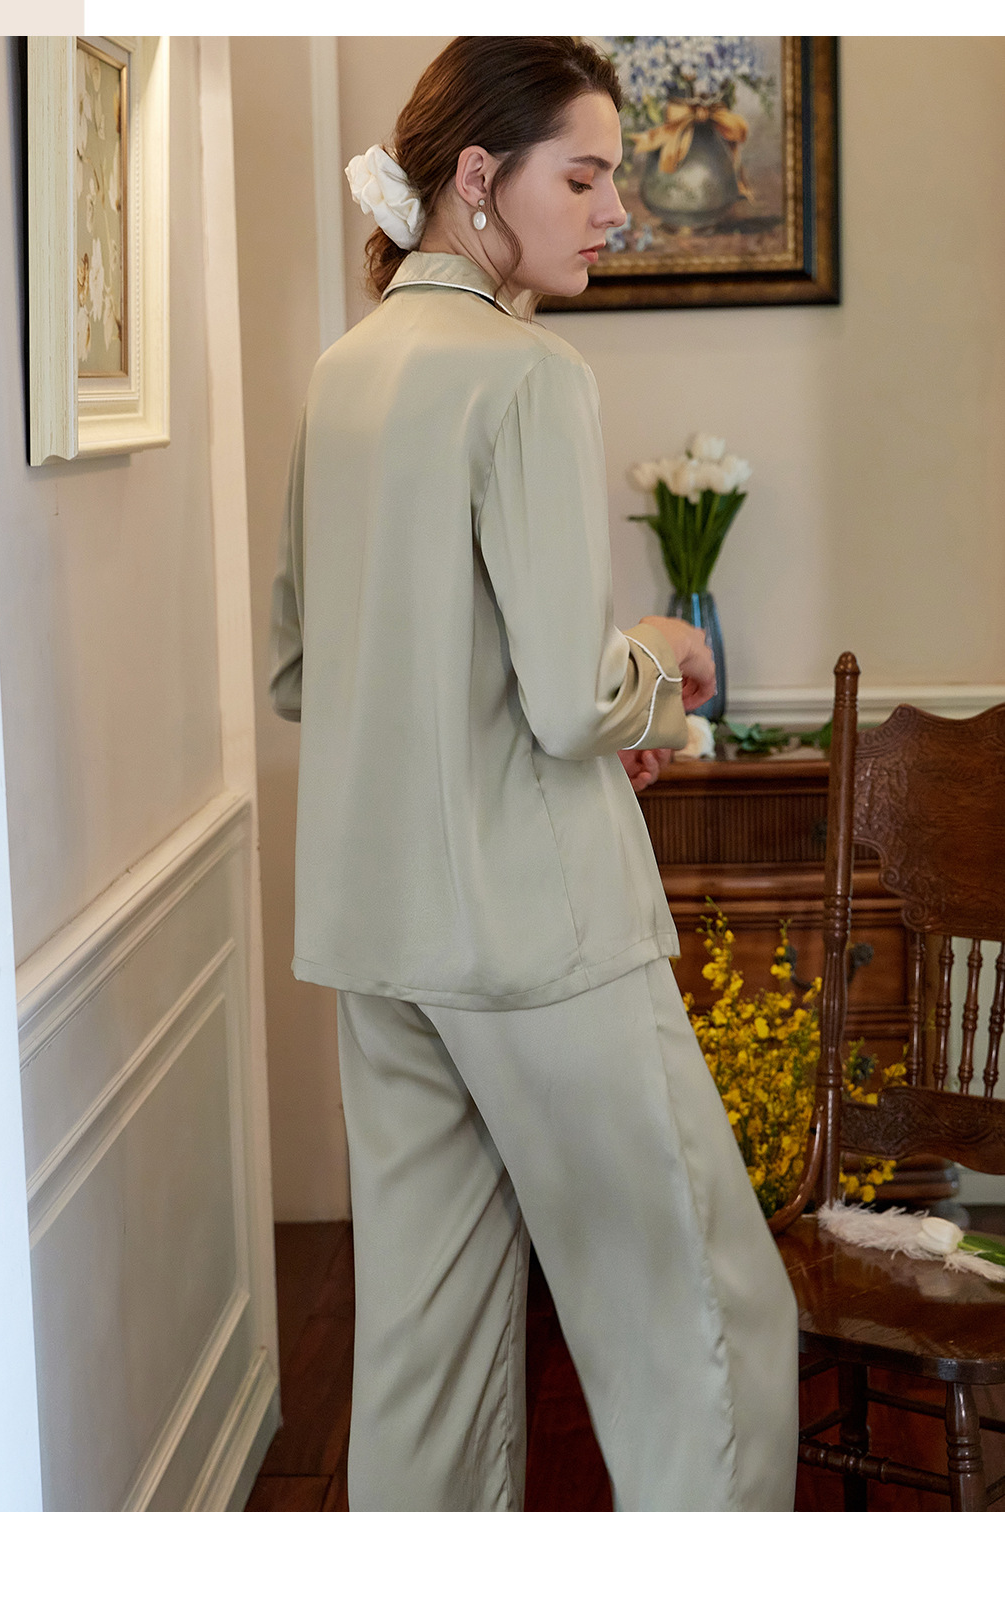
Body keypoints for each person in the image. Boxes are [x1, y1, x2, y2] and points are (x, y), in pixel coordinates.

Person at [269, 35, 798, 1511]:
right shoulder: (529, 376)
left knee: (426, 1360)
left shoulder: (342, 375)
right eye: (584, 177)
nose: (616, 210)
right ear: (477, 175)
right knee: (710, 1323)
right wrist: (657, 662)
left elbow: (304, 674)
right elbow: (573, 701)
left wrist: (532, 719)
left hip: (380, 940)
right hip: (541, 942)